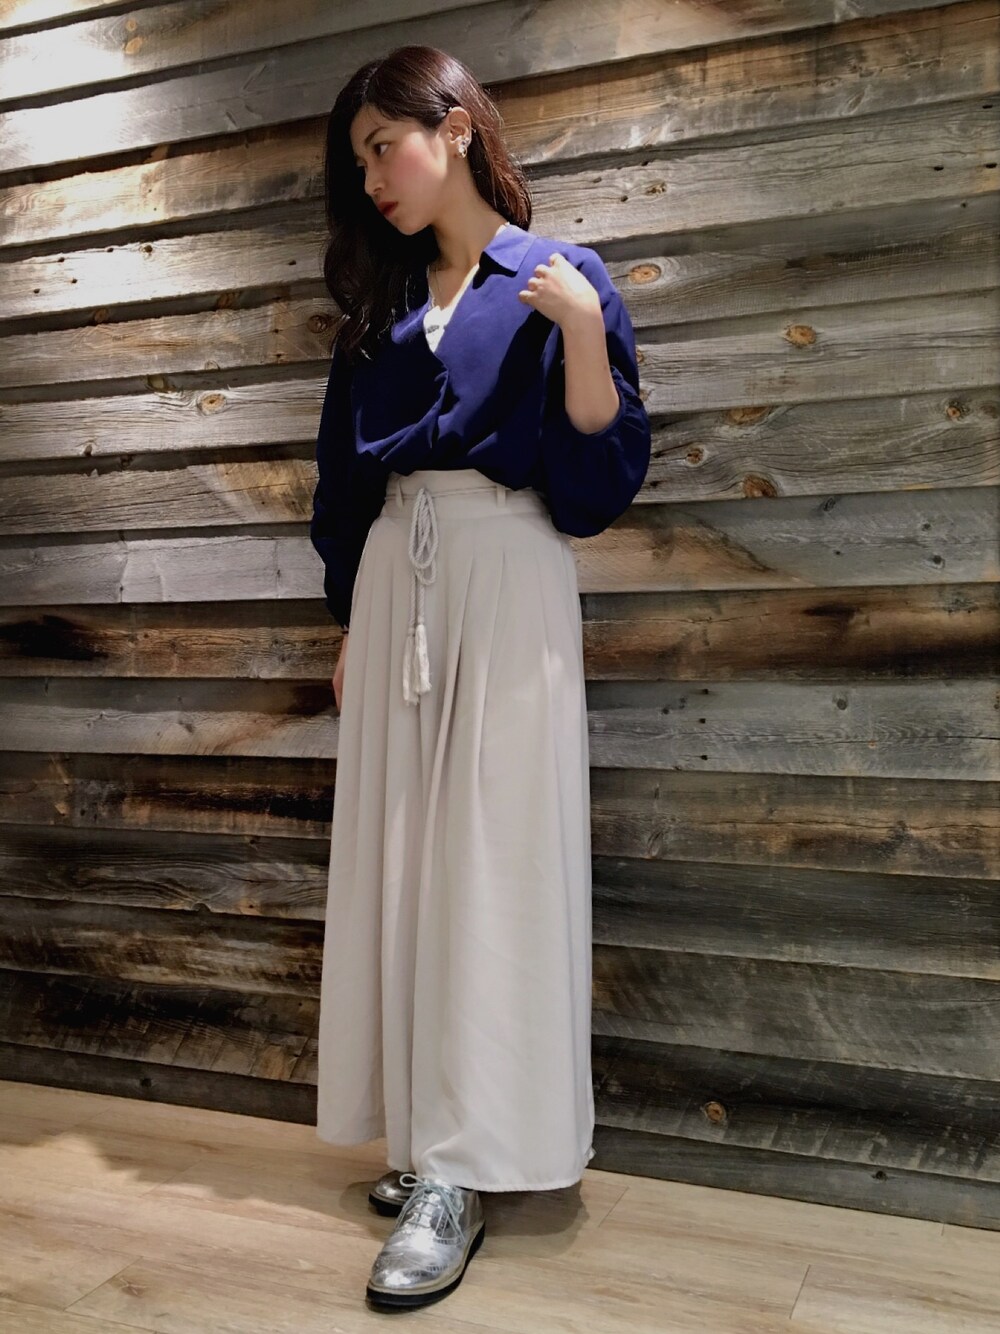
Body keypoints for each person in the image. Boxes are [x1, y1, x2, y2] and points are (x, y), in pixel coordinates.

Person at [309, 44, 651, 1311]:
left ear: (453, 129)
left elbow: (596, 479)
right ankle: (425, 1133)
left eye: (381, 146)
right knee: (405, 856)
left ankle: (468, 1160)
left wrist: (581, 332)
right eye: (357, 161)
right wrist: (349, 616)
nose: (371, 177)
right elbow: (342, 477)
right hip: (397, 576)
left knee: (493, 859)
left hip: (508, 571)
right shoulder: (384, 308)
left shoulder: (558, 276)